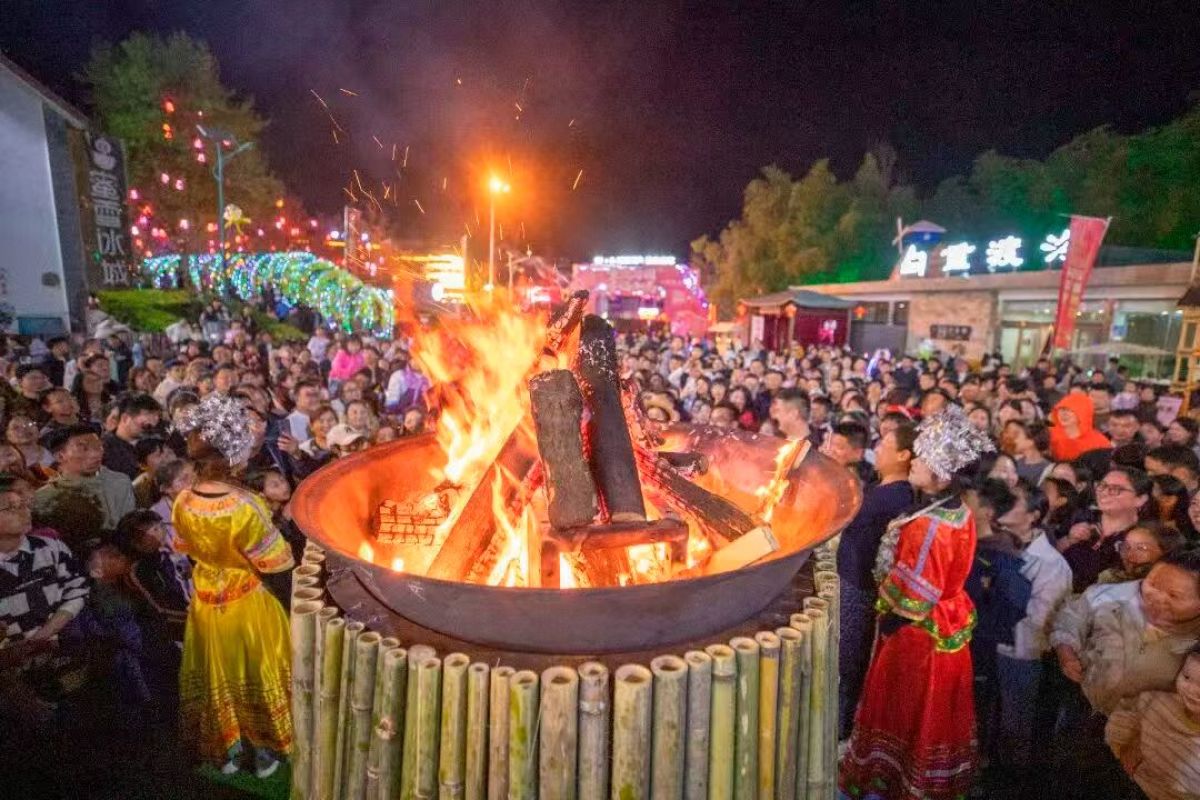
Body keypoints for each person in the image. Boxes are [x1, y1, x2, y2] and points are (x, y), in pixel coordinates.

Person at [841, 407, 991, 800]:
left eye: (922, 459)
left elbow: (914, 595)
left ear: (942, 475)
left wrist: (888, 616)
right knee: (932, 715)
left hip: (916, 636)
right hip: (944, 626)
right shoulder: (956, 512)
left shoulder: (929, 525)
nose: (915, 463)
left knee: (901, 709)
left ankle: (890, 781)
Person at [173, 393, 294, 776]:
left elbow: (187, 548)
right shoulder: (246, 505)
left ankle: (225, 748)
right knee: (256, 672)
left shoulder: (183, 500)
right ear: (233, 456)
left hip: (205, 599)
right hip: (247, 601)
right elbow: (277, 562)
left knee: (218, 672)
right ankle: (264, 750)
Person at [836, 422, 916, 739]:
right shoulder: (881, 487)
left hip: (860, 588)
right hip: (850, 578)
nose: (877, 449)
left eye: (885, 445)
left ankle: (842, 726)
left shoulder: (898, 496)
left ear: (904, 455)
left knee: (849, 659)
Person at [1105, 644, 1200, 800]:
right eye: (1186, 677)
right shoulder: (1159, 702)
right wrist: (1126, 745)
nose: (1191, 690)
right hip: (1133, 779)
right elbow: (1126, 716)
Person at [33, 425, 137, 554]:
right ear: (60, 456)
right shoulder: (43, 497)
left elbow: (129, 528)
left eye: (98, 447)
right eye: (83, 449)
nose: (95, 454)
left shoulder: (119, 482)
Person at [1058, 466, 1151, 592]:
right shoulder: (1080, 516)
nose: (1105, 492)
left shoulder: (1141, 537)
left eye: (1116, 489)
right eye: (1102, 486)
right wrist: (1069, 540)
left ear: (1140, 499)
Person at [1097, 521, 1186, 585]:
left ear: (1166, 552)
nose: (1129, 555)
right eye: (1126, 547)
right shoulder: (1110, 580)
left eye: (1141, 548)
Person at [102, 393, 163, 480]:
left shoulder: (157, 441)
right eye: (145, 426)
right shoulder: (106, 449)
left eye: (157, 416)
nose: (154, 422)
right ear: (125, 418)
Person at [1049, 393, 1111, 463]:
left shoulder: (1100, 442)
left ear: (1083, 413)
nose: (1064, 414)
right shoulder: (1048, 435)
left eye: (1070, 410)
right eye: (1061, 409)